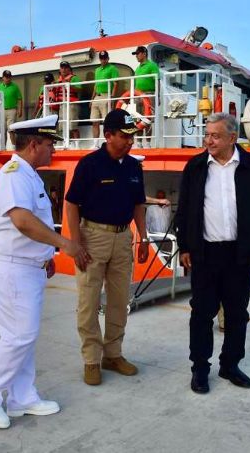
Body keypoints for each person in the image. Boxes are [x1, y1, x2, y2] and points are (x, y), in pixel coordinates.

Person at [0, 115, 84, 429]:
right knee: (20, 336)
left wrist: (46, 256)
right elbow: (21, 220)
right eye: (49, 145)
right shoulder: (14, 175)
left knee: (22, 338)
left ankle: (21, 398)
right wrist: (63, 244)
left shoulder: (29, 175)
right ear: (34, 145)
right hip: (13, 271)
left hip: (27, 269)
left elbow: (31, 225)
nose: (53, 152)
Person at [174, 112, 250, 394]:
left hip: (239, 254)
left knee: (237, 314)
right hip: (205, 254)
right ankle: (199, 369)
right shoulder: (195, 167)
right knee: (201, 313)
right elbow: (183, 210)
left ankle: (230, 365)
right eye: (207, 135)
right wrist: (184, 245)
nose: (209, 140)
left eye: (215, 136)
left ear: (232, 137)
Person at [65, 108, 149, 386]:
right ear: (108, 134)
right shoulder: (90, 164)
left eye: (132, 136)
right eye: (125, 136)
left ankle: (113, 354)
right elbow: (71, 203)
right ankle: (91, 359)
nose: (130, 142)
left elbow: (139, 203)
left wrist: (144, 237)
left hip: (124, 238)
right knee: (88, 301)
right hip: (93, 237)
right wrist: (76, 241)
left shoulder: (134, 166)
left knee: (118, 300)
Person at [132, 45, 160, 144]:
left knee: (147, 120)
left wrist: (158, 95)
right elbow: (136, 84)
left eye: (137, 54)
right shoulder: (137, 69)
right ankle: (139, 143)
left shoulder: (152, 65)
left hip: (149, 94)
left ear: (144, 54)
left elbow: (157, 81)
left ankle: (148, 143)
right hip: (138, 96)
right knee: (138, 120)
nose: (136, 56)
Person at [90, 51, 119, 143]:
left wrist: (112, 97)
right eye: (101, 58)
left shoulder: (112, 68)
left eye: (105, 58)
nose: (103, 60)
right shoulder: (97, 70)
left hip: (107, 95)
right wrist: (92, 99)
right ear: (100, 59)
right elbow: (95, 85)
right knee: (94, 121)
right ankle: (96, 144)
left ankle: (108, 142)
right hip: (97, 97)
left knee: (106, 122)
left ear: (108, 58)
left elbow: (115, 83)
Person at [57, 61, 83, 141]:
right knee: (63, 126)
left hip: (72, 104)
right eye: (62, 68)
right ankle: (68, 143)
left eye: (65, 68)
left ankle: (77, 145)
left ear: (69, 69)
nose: (64, 69)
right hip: (62, 105)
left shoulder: (75, 78)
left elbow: (79, 89)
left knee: (73, 126)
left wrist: (69, 85)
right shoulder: (59, 80)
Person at [0, 70, 23, 148]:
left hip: (12, 110)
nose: (8, 79)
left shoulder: (15, 86)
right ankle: (3, 148)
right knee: (3, 130)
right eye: (6, 77)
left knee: (11, 130)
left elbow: (20, 99)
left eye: (9, 77)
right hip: (2, 110)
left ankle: (14, 148)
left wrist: (20, 110)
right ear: (3, 77)